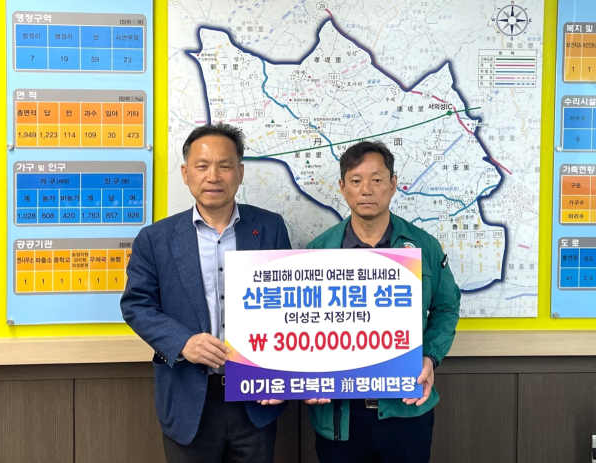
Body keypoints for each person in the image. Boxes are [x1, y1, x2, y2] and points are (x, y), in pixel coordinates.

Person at [121, 123, 291, 463]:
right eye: (202, 166)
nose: (213, 176)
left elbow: (289, 304)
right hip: (188, 398)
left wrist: (281, 375)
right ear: (186, 174)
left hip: (255, 398)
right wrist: (183, 342)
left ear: (240, 173)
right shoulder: (155, 239)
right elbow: (137, 305)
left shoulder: (270, 227)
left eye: (224, 166)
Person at [304, 140, 461, 463]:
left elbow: (446, 308)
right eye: (356, 180)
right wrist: (305, 376)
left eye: (376, 179)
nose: (366, 189)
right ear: (342, 187)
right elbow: (300, 322)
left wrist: (430, 358)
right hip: (340, 416)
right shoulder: (318, 251)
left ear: (393, 184)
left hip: (406, 410)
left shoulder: (423, 246)